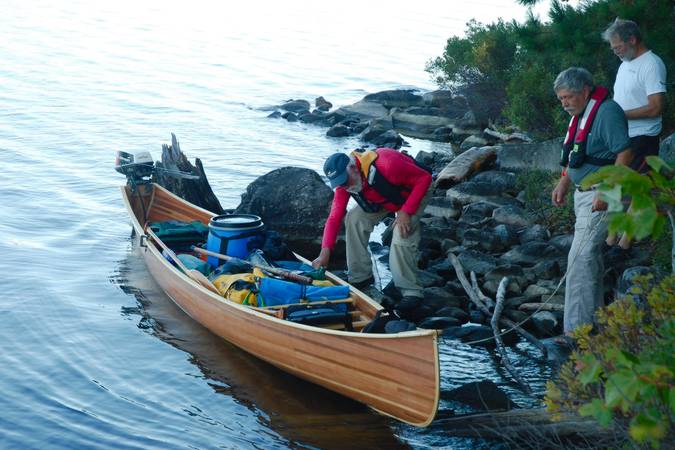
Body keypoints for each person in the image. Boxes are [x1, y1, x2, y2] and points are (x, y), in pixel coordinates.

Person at [550, 67, 633, 335]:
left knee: (580, 260)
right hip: (582, 194)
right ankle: (594, 322)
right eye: (561, 99)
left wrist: (608, 191)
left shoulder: (607, 112)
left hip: (600, 192)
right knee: (589, 258)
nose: (564, 104)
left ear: (585, 91)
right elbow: (576, 153)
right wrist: (564, 180)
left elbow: (624, 153)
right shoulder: (581, 113)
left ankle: (576, 333)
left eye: (568, 97)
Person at [312, 148, 433, 308]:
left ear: (354, 168)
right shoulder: (345, 184)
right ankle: (360, 277)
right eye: (340, 183)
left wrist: (405, 211)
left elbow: (425, 178)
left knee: (401, 232)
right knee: (354, 219)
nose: (345, 186)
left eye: (345, 180)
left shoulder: (388, 164)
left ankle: (411, 292)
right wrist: (324, 252)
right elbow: (334, 218)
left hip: (414, 192)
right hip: (384, 197)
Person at [602, 18, 667, 172]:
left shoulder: (651, 64)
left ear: (632, 40)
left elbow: (656, 108)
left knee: (638, 191)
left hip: (643, 139)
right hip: (622, 138)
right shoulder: (624, 63)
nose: (615, 51)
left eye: (618, 47)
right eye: (613, 48)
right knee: (618, 191)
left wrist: (620, 116)